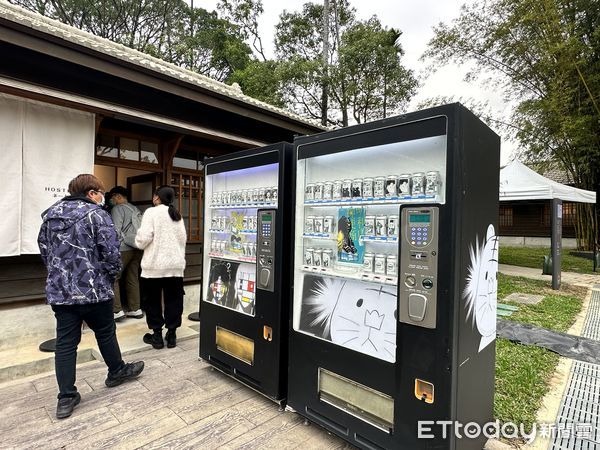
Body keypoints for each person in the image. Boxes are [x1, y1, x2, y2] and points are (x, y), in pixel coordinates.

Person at [37, 174, 144, 420]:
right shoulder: (97, 215)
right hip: (94, 290)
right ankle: (116, 371)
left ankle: (66, 396)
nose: (101, 197)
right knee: (105, 332)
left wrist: (60, 276)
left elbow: (44, 251)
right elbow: (111, 253)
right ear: (91, 193)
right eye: (100, 192)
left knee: (65, 343)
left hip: (62, 293)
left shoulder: (50, 216)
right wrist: (110, 277)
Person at [135, 186, 187, 349]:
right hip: (175, 265)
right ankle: (171, 334)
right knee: (174, 300)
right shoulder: (176, 214)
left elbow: (143, 239)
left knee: (152, 301)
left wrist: (137, 242)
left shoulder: (151, 212)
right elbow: (182, 239)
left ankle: (157, 336)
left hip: (154, 266)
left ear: (157, 198)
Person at [108, 186, 143, 321]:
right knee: (132, 277)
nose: (111, 200)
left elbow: (115, 230)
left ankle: (117, 311)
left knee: (114, 278)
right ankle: (135, 308)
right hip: (137, 247)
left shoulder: (117, 209)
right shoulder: (135, 209)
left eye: (112, 197)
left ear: (118, 196)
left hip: (123, 249)